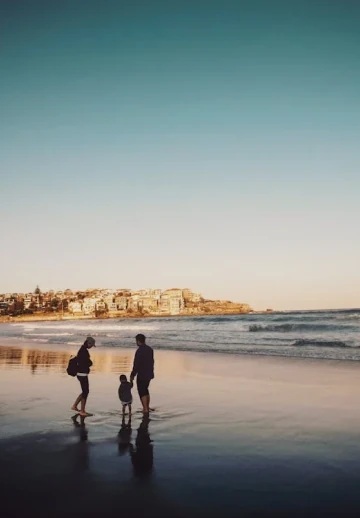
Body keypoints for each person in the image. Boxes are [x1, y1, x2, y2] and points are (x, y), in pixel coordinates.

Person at [71, 336, 95, 417]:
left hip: (81, 373)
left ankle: (75, 406)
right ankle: (82, 411)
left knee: (85, 391)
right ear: (88, 343)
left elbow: (83, 361)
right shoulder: (83, 351)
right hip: (82, 374)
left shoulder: (82, 350)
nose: (92, 347)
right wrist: (90, 363)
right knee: (85, 392)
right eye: (91, 345)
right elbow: (85, 362)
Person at [130, 334, 154, 414]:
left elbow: (136, 364)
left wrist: (132, 374)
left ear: (138, 341)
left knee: (142, 391)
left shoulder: (139, 351)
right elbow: (152, 361)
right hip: (149, 373)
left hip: (142, 374)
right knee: (146, 389)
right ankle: (147, 407)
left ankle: (145, 408)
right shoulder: (150, 349)